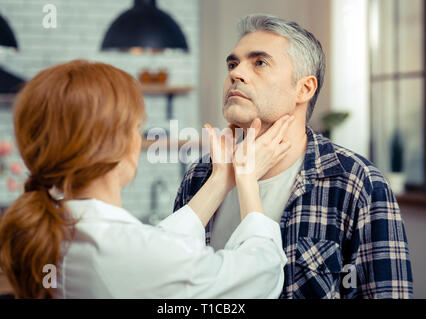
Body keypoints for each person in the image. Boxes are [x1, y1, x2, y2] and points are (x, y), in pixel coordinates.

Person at [0, 59, 292, 299]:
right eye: (137, 128)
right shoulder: (125, 252)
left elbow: (157, 251)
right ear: (116, 144)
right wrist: (247, 180)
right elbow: (260, 277)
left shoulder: (58, 227)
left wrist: (221, 179)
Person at [173, 14, 414, 299]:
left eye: (259, 63)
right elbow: (170, 286)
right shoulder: (200, 177)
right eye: (232, 64)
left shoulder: (356, 182)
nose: (235, 74)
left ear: (305, 89)